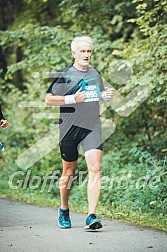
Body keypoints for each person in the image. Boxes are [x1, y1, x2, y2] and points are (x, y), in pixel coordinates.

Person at [45, 36, 114, 230]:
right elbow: (48, 100)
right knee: (69, 172)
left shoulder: (95, 72)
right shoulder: (65, 74)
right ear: (73, 54)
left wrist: (104, 95)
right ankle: (64, 209)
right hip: (69, 129)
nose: (86, 55)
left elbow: (95, 94)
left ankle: (91, 215)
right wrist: (71, 99)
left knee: (96, 168)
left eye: (89, 51)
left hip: (92, 126)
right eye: (82, 51)